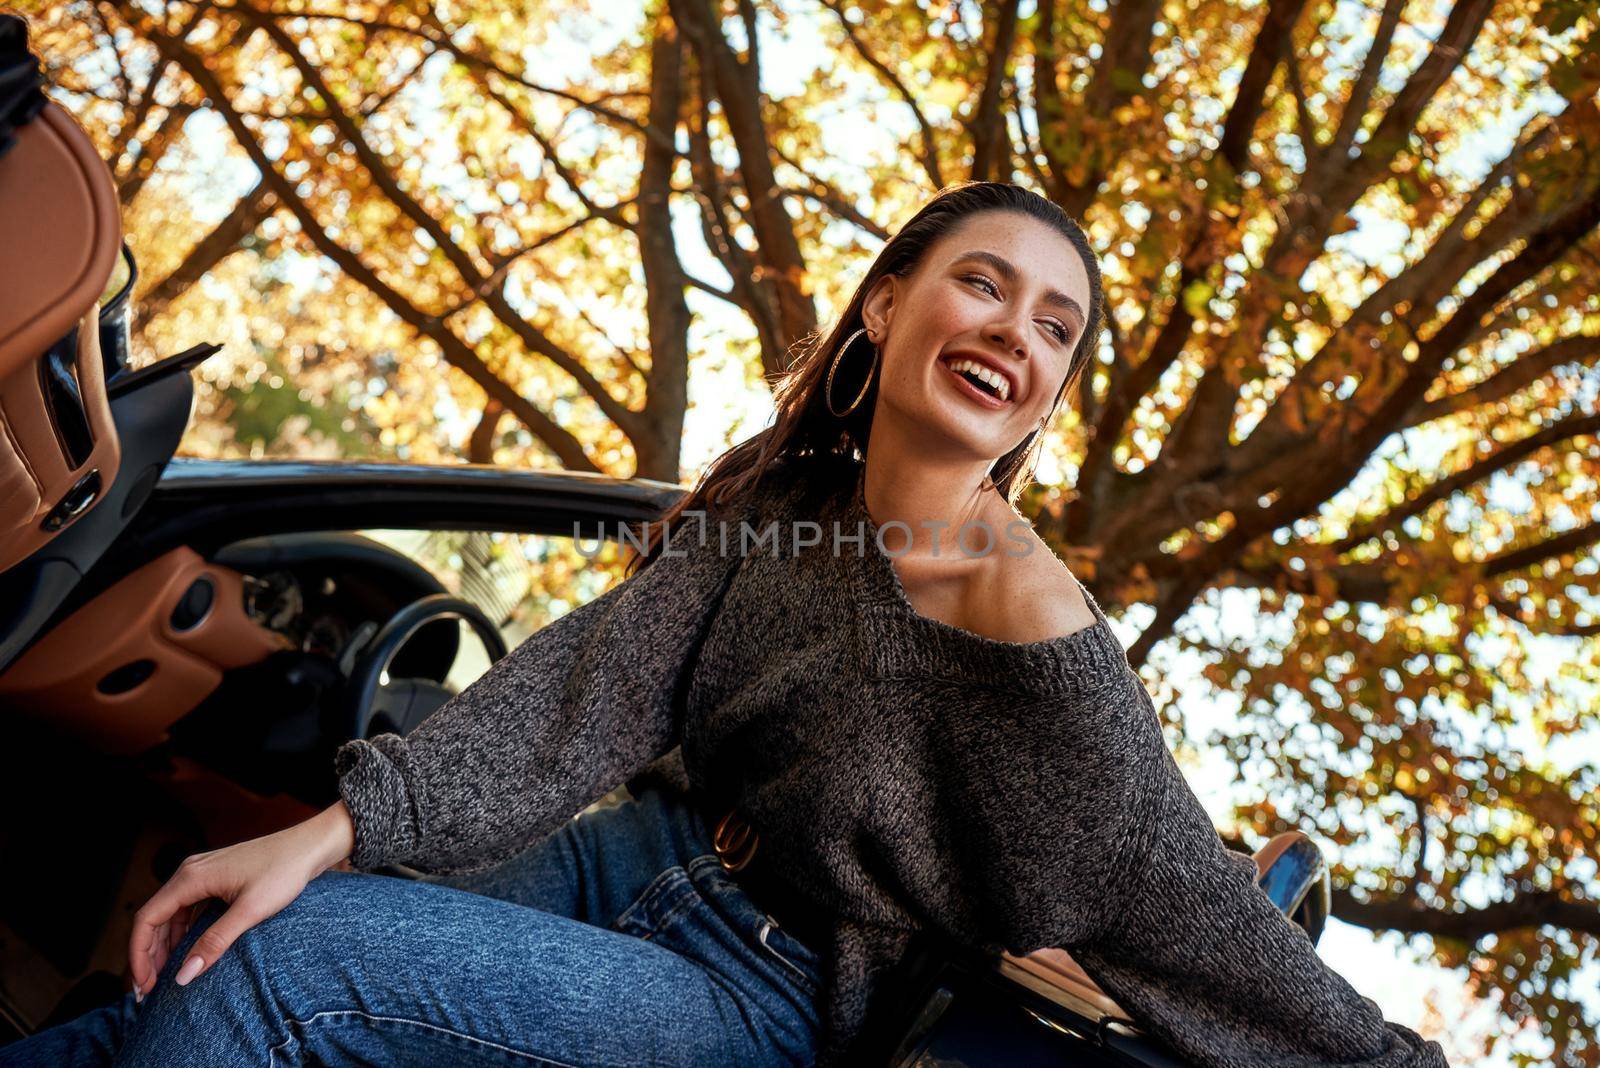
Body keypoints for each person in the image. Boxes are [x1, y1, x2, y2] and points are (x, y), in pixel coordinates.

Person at [0, 181, 1448, 1067]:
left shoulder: (1030, 630)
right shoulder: (792, 495)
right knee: (215, 946)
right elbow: (598, 680)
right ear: (888, 306)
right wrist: (329, 830)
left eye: (1056, 326)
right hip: (624, 861)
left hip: (759, 996)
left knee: (279, 973)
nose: (1017, 332)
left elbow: (1175, 908)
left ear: (1052, 389)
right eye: (986, 285)